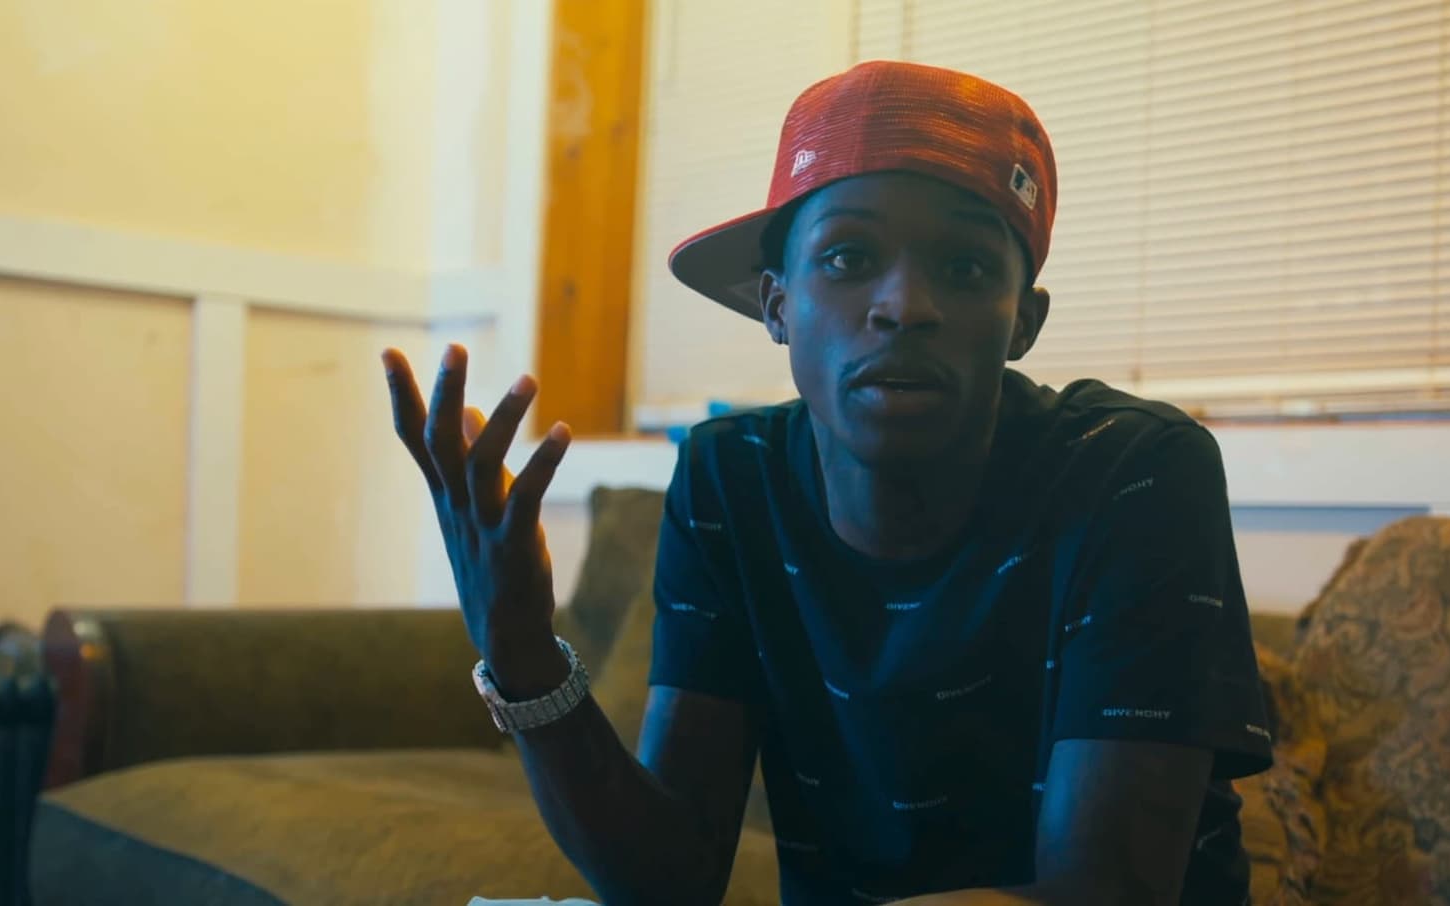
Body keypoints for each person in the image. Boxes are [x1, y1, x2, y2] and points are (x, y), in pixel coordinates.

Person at [382, 60, 1272, 906]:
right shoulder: (731, 478)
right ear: (776, 305)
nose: (905, 305)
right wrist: (521, 651)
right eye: (848, 257)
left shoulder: (1135, 470)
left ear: (1023, 323)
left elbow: (1100, 896)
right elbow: (667, 881)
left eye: (965, 267)